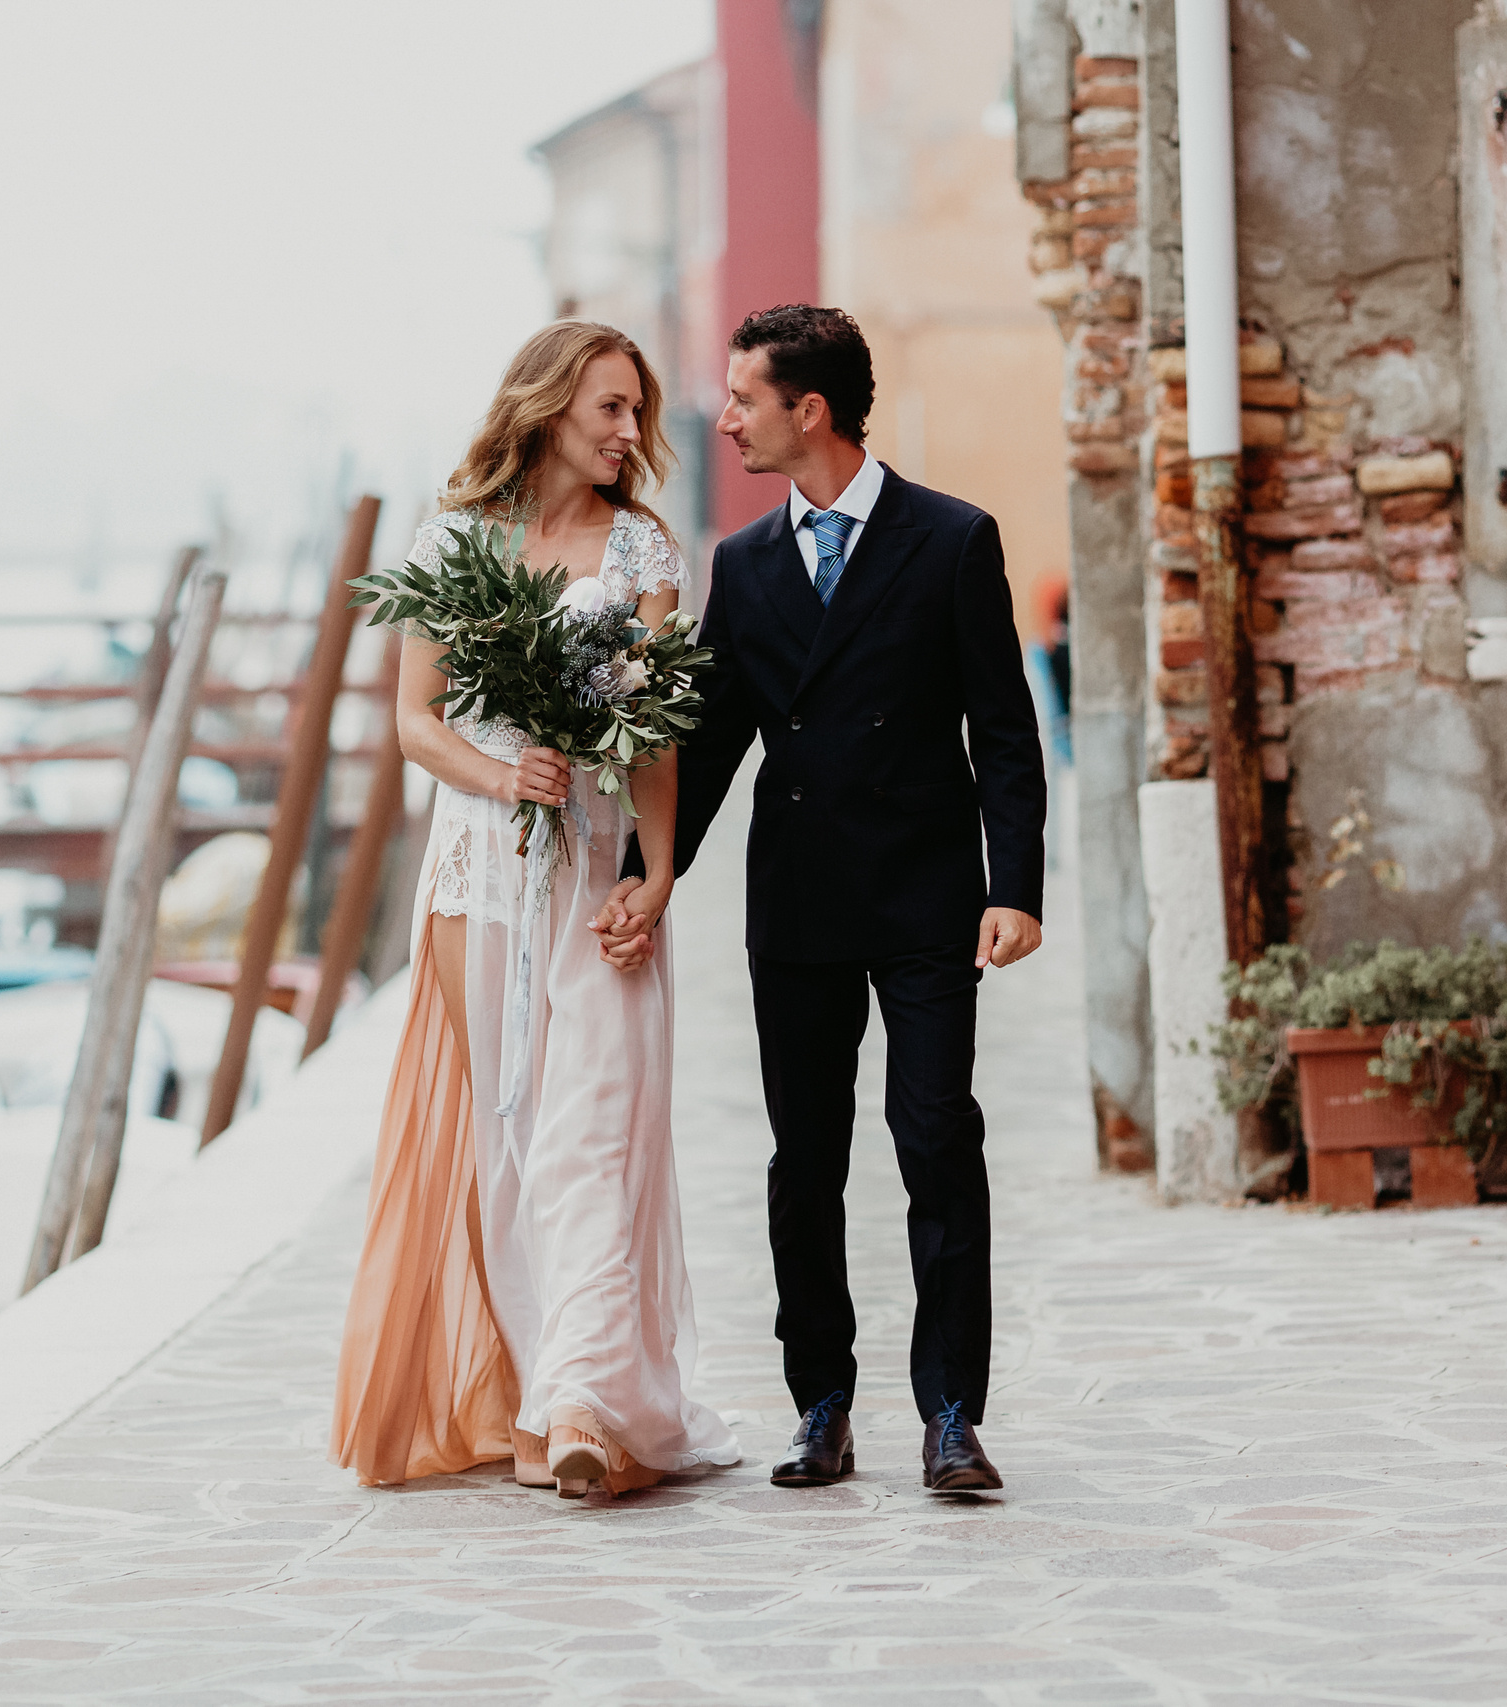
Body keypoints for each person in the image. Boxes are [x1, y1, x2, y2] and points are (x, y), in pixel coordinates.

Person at [596, 305, 1048, 1493]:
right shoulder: (741, 565)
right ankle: (822, 1406)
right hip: (794, 900)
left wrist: (1017, 888)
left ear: (811, 410)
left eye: (744, 398)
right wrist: (651, 878)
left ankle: (952, 1414)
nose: (725, 416)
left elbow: (1003, 729)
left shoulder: (952, 539)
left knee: (936, 1140)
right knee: (806, 1161)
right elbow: (714, 739)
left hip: (926, 894)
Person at [329, 321, 740, 1499]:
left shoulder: (644, 551)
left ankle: (590, 1404)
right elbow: (417, 721)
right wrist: (503, 773)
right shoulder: (453, 540)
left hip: (595, 865)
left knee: (592, 1130)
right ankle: (531, 1393)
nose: (628, 434)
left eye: (635, 413)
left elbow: (652, 736)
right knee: (508, 1131)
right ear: (549, 405)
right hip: (480, 871)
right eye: (610, 409)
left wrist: (655, 878)